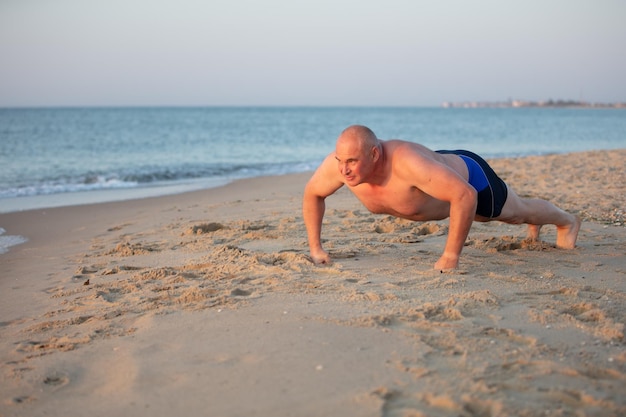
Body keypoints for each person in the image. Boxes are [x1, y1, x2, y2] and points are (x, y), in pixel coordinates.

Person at [302, 125, 581, 270]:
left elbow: (465, 194)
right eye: (340, 159)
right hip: (438, 170)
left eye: (351, 160)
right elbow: (313, 193)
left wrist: (450, 257)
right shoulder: (338, 167)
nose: (344, 169)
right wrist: (316, 249)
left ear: (374, 154)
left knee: (516, 213)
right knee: (513, 216)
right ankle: (537, 224)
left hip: (469, 175)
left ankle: (566, 222)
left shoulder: (406, 164)